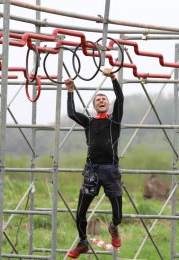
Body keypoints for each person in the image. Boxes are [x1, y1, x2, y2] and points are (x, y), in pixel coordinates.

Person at [65, 68, 124, 259]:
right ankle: (83, 242)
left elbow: (120, 99)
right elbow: (72, 113)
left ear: (108, 104)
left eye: (104, 99)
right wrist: (70, 90)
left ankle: (113, 227)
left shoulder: (114, 120)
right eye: (97, 99)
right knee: (80, 212)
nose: (101, 100)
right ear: (93, 104)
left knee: (118, 214)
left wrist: (113, 77)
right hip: (91, 170)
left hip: (110, 170)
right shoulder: (88, 122)